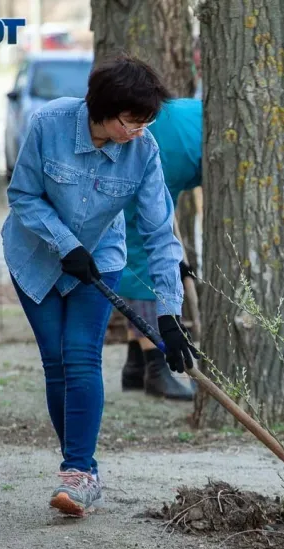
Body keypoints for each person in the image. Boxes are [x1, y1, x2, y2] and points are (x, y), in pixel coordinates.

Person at [1, 54, 200, 518]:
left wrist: (169, 316)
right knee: (56, 362)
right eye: (130, 121)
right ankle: (82, 469)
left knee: (81, 355)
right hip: (36, 257)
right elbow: (21, 194)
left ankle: (77, 474)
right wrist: (64, 242)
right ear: (102, 108)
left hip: (99, 261)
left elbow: (160, 234)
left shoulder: (144, 150)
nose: (137, 131)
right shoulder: (48, 124)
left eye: (146, 122)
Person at [116, 97, 202, 401]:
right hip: (174, 144)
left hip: (174, 133)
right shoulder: (174, 147)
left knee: (141, 247)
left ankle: (136, 364)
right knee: (143, 251)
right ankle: (155, 365)